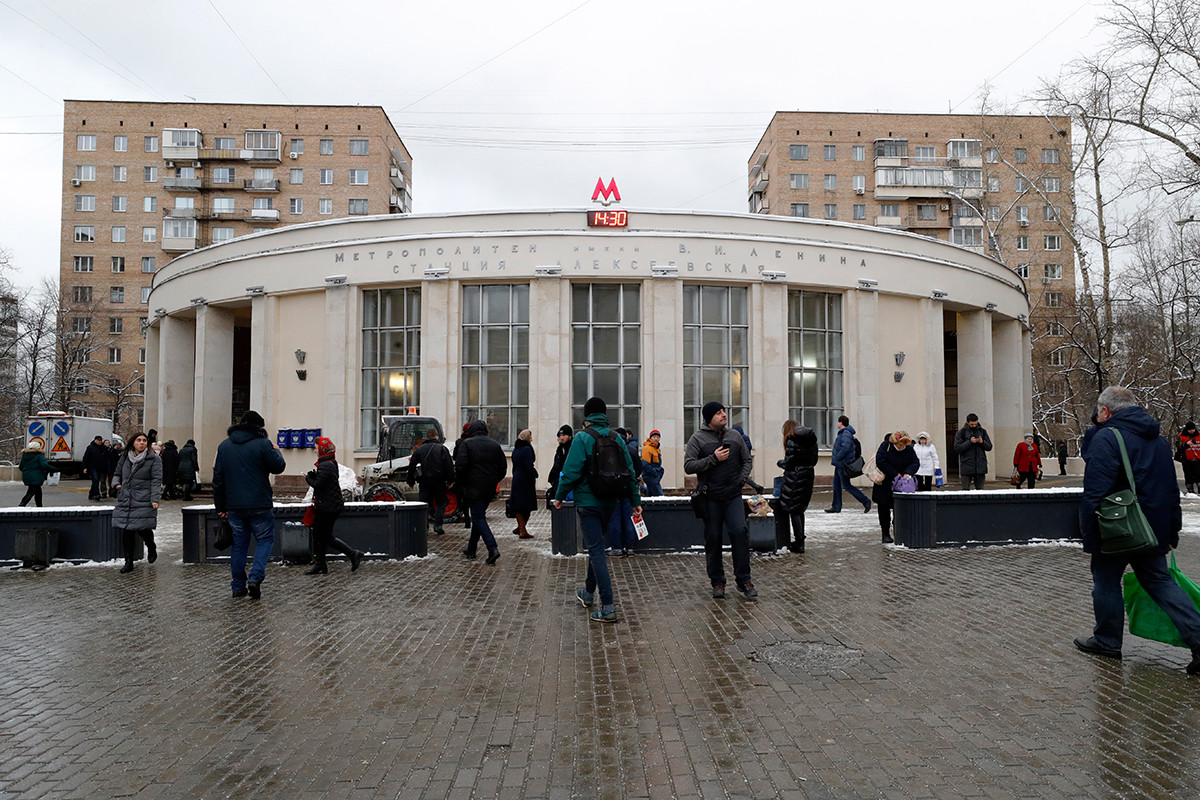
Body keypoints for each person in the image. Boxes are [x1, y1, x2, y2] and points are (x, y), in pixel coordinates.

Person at [1074, 386, 1200, 675]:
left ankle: (1107, 641)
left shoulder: (1107, 437)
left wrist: (1090, 534)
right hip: (1153, 530)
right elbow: (1171, 489)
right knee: (1161, 584)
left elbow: (1095, 491)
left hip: (1117, 528)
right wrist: (1172, 532)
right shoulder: (1157, 440)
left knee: (1105, 584)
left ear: (1105, 411)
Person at [554, 396, 642, 623]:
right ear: (604, 414)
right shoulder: (618, 439)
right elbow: (630, 473)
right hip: (610, 501)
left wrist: (559, 496)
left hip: (588, 502)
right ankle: (587, 592)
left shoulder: (583, 437)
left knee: (596, 551)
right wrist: (635, 501)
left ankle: (609, 606)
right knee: (597, 546)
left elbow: (571, 471)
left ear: (587, 415)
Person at [685, 401, 757, 600]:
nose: (723, 415)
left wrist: (740, 481)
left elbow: (747, 460)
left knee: (739, 532)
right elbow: (689, 465)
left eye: (723, 411)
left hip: (732, 495)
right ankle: (717, 581)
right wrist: (713, 458)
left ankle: (744, 580)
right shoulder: (697, 439)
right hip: (710, 498)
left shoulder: (734, 435)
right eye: (718, 413)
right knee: (713, 538)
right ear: (709, 418)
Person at [212, 410, 287, 599]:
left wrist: (220, 507)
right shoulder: (263, 444)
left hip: (234, 506)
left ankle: (238, 586)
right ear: (258, 427)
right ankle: (255, 577)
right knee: (265, 540)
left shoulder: (224, 446)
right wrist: (276, 451)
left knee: (238, 546)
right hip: (260, 503)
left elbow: (218, 479)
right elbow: (278, 467)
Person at [304, 437, 362, 574]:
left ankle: (353, 554)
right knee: (320, 535)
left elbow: (318, 485)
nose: (314, 450)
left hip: (327, 507)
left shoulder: (325, 465)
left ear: (322, 449)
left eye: (316, 448)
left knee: (324, 536)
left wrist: (308, 478)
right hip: (328, 505)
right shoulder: (329, 462)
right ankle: (321, 564)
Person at [455, 419, 508, 564]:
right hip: (488, 488)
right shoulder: (495, 445)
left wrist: (463, 483)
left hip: (472, 487)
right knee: (479, 516)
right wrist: (493, 480)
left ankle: (492, 548)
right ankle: (471, 549)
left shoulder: (467, 444)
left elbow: (460, 467)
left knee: (478, 518)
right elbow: (503, 468)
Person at [111, 432, 163, 574]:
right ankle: (129, 562)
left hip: (144, 497)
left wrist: (155, 499)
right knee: (127, 530)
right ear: (133, 442)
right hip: (126, 497)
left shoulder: (154, 459)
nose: (141, 443)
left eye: (144, 440)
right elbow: (116, 473)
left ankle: (151, 546)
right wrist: (117, 486)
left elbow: (156, 480)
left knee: (143, 528)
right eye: (138, 440)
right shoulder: (125, 457)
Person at [777, 420, 818, 553]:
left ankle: (799, 543)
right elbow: (815, 460)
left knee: (793, 509)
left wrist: (780, 463)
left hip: (795, 477)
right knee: (800, 509)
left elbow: (789, 462)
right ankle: (800, 541)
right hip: (808, 475)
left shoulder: (791, 440)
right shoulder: (811, 439)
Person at [873, 431, 919, 544]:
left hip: (902, 485)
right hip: (885, 484)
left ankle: (899, 532)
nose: (901, 447)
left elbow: (915, 462)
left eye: (904, 445)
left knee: (899, 509)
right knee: (884, 510)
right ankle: (885, 534)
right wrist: (894, 473)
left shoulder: (909, 449)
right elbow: (880, 461)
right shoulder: (886, 446)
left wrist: (908, 472)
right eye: (899, 444)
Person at [407, 428, 454, 535]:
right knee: (441, 503)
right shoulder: (442, 449)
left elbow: (412, 467)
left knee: (424, 504)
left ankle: (425, 527)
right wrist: (451, 480)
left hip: (424, 482)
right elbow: (449, 466)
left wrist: (411, 481)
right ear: (436, 436)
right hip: (439, 481)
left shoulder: (419, 450)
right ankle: (438, 525)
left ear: (427, 437)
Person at [607, 428, 642, 556]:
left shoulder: (610, 450)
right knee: (630, 518)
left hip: (614, 489)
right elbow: (638, 468)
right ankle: (631, 547)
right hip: (628, 489)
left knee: (615, 520)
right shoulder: (632, 450)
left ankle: (617, 548)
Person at [825, 415, 871, 513]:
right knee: (836, 485)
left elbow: (845, 448)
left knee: (846, 485)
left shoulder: (846, 434)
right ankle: (836, 506)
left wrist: (838, 457)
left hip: (842, 464)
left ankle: (866, 501)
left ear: (841, 422)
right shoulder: (844, 433)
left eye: (838, 422)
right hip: (840, 464)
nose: (837, 423)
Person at [509, 429, 538, 538]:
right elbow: (529, 465)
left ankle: (520, 527)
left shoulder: (515, 450)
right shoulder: (526, 449)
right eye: (530, 437)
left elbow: (514, 466)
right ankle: (522, 529)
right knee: (526, 505)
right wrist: (533, 474)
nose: (531, 439)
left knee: (519, 505)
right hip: (526, 479)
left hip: (517, 477)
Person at [953, 413, 993, 490]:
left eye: (975, 424)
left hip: (980, 466)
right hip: (966, 466)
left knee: (980, 490)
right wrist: (970, 442)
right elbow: (957, 448)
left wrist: (982, 442)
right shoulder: (961, 432)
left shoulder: (982, 431)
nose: (974, 426)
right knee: (965, 490)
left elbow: (989, 447)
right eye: (972, 424)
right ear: (967, 422)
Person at [18, 440, 56, 507]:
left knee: (38, 492)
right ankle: (22, 505)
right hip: (36, 476)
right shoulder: (39, 455)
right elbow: (44, 465)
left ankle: (39, 506)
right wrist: (53, 469)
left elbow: (21, 467)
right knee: (31, 492)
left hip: (27, 476)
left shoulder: (25, 456)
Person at [547, 424, 572, 509]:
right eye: (560, 435)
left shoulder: (572, 448)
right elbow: (556, 464)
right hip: (558, 480)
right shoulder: (560, 449)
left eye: (564, 435)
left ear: (570, 436)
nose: (561, 438)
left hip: (567, 480)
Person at [454, 422, 473, 529]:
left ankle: (466, 519)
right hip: (472, 474)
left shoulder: (459, 442)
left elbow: (455, 457)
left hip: (462, 474)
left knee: (463, 497)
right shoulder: (474, 442)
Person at [1176, 422, 1200, 494]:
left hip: (1198, 459)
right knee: (1188, 475)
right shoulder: (1181, 436)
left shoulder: (1199, 435)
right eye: (1190, 430)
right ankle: (1190, 490)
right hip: (1186, 459)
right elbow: (1178, 445)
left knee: (1199, 475)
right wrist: (1186, 444)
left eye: (1193, 429)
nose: (1192, 431)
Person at [82, 435, 108, 501]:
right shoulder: (90, 447)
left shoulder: (103, 448)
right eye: (98, 440)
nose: (100, 442)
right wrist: (85, 467)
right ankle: (96, 494)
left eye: (100, 440)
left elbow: (106, 458)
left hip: (101, 467)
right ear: (95, 440)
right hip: (92, 466)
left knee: (96, 481)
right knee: (95, 480)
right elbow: (86, 458)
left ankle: (91, 493)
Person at [640, 429, 664, 497]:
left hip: (655, 475)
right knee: (659, 496)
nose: (656, 439)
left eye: (658, 437)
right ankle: (639, 487)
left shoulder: (657, 449)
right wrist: (654, 473)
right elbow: (645, 464)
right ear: (650, 438)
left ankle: (641, 488)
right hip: (650, 475)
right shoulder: (647, 448)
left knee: (650, 495)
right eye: (654, 437)